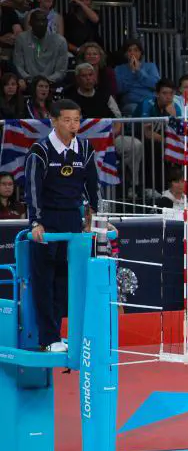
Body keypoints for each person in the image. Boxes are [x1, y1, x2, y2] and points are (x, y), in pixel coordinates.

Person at [25, 99, 99, 352]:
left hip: (72, 221)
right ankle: (48, 338)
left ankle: (57, 335)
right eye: (67, 120)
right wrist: (36, 222)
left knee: (65, 280)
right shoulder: (40, 150)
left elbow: (93, 185)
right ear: (53, 121)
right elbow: (32, 189)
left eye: (76, 120)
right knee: (44, 281)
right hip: (47, 221)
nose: (73, 125)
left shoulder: (85, 148)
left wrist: (96, 215)